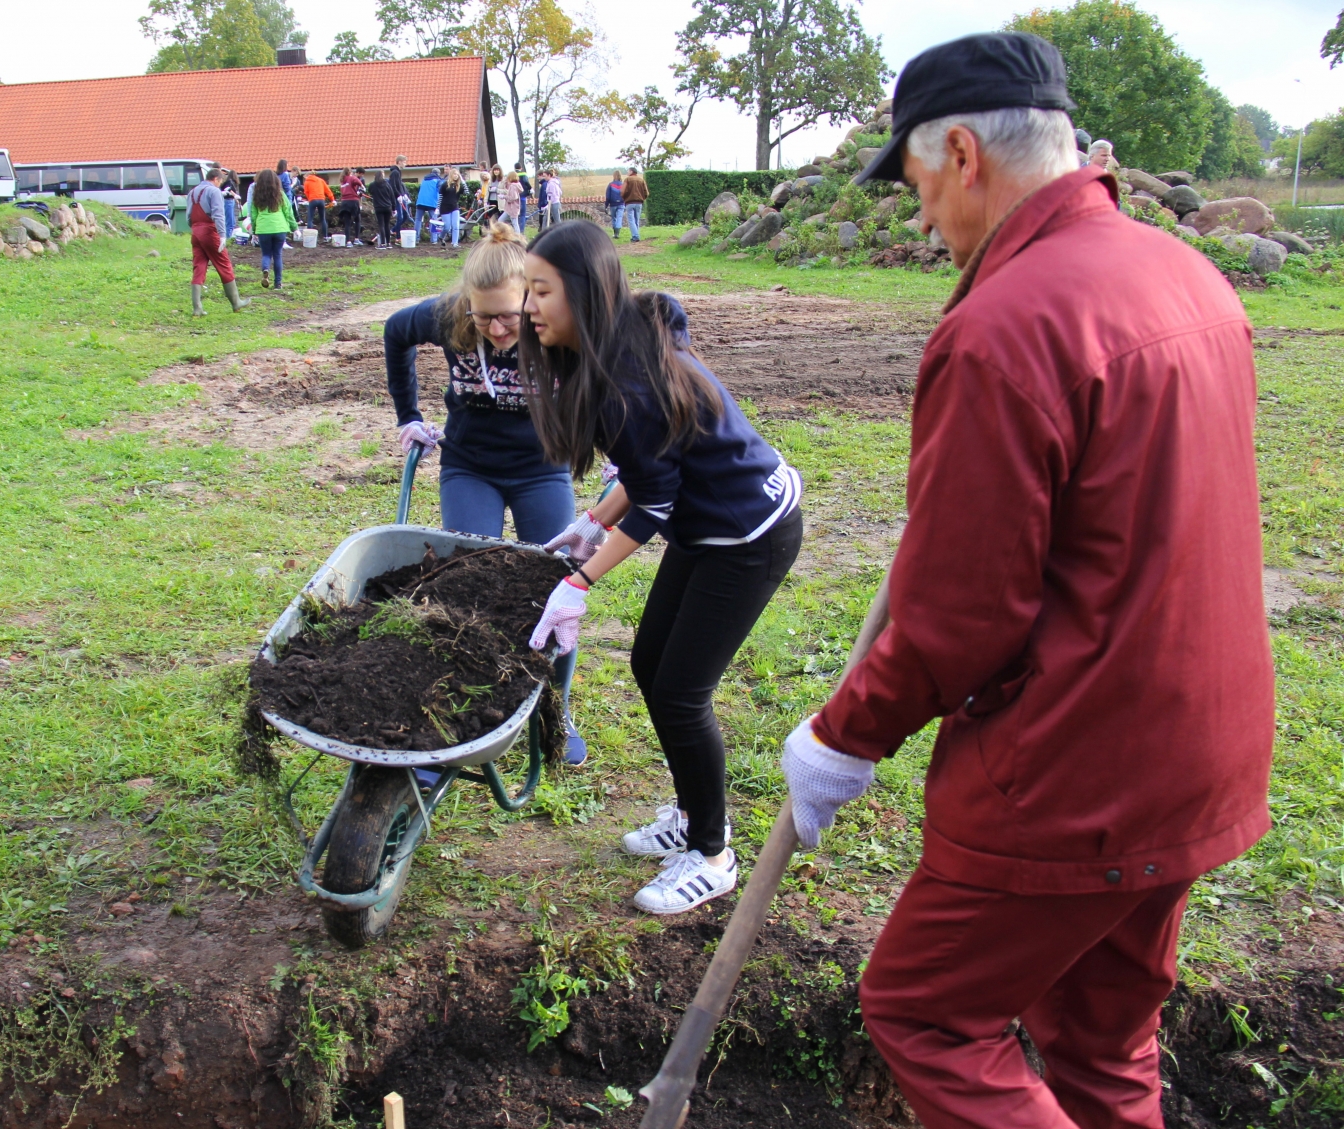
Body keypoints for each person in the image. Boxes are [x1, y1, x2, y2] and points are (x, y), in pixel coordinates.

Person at [784, 32, 1273, 1128]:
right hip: (1197, 746)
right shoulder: (1180, 273)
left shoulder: (1005, 327)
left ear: (962, 153)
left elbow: (959, 615)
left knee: (923, 1012)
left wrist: (842, 735)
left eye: (915, 187)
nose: (921, 221)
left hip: (1075, 775)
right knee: (1100, 1043)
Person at [521, 220, 803, 914]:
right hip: (709, 528)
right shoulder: (616, 346)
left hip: (748, 533)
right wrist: (593, 519)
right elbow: (651, 472)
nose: (529, 308)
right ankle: (691, 810)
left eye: (541, 291)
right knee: (651, 664)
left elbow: (656, 504)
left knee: (681, 690)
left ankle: (711, 852)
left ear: (583, 293)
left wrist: (578, 581)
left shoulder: (628, 385)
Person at [382, 223, 590, 766]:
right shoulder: (448, 317)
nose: (497, 329)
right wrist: (409, 416)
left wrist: (609, 440)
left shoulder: (555, 326)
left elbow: (604, 371)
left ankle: (556, 705)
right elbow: (394, 332)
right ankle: (462, 706)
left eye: (509, 316)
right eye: (484, 316)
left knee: (555, 588)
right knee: (469, 585)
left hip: (541, 468)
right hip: (469, 465)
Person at [186, 170, 251, 315]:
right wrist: (222, 236)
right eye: (220, 182)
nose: (220, 184)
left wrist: (196, 229)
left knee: (199, 267)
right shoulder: (213, 191)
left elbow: (188, 216)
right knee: (224, 264)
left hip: (196, 232)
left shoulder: (192, 192)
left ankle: (197, 308)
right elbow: (218, 214)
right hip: (210, 231)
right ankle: (236, 303)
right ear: (216, 179)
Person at [244, 167, 297, 289]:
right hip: (280, 228)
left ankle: (266, 270)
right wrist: (295, 227)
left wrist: (255, 230)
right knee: (277, 255)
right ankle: (278, 284)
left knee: (266, 254)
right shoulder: (280, 194)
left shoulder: (257, 196)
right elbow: (288, 212)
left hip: (263, 229)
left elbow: (253, 214)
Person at [302, 170, 334, 240]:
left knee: (310, 219)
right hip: (321, 200)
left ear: (307, 176)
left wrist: (309, 199)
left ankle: (309, 237)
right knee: (323, 219)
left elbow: (306, 192)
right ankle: (325, 237)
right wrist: (332, 199)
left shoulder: (307, 182)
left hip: (312, 200)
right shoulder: (321, 180)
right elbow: (328, 190)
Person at [369, 168, 397, 248]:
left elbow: (370, 192)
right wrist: (394, 209)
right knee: (387, 225)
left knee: (381, 225)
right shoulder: (387, 184)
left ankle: (382, 244)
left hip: (378, 208)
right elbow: (392, 197)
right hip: (388, 207)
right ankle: (388, 243)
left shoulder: (372, 185)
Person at [338, 167, 366, 246]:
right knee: (357, 220)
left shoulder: (342, 181)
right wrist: (362, 188)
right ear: (350, 172)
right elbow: (358, 183)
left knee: (347, 222)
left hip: (344, 202)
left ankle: (348, 242)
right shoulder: (352, 178)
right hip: (353, 201)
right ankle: (356, 239)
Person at [438, 166, 464, 246]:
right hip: (445, 208)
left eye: (457, 174)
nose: (456, 176)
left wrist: (462, 180)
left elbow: (466, 191)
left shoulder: (459, 185)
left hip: (454, 207)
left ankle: (455, 243)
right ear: (451, 175)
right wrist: (437, 208)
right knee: (447, 227)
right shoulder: (445, 185)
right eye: (454, 174)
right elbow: (440, 197)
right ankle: (441, 236)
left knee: (455, 226)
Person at [415, 167, 442, 241]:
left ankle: (416, 238)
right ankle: (434, 239)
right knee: (434, 220)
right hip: (432, 203)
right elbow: (441, 191)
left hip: (420, 202)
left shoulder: (424, 180)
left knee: (418, 220)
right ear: (438, 174)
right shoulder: (438, 181)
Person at [621, 166, 648, 242]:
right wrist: (642, 198)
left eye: (628, 171)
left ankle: (635, 236)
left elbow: (622, 191)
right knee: (636, 220)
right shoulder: (641, 180)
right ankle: (636, 235)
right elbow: (646, 192)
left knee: (631, 220)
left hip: (630, 202)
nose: (627, 172)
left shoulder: (627, 180)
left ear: (632, 172)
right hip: (639, 203)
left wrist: (624, 198)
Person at [604, 171, 624, 239]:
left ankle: (615, 233)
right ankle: (618, 232)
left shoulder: (611, 185)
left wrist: (606, 205)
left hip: (613, 204)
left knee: (614, 218)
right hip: (621, 203)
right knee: (619, 217)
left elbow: (608, 196)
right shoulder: (623, 184)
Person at [221, 170, 240, 238]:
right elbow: (229, 190)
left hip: (229, 201)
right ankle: (228, 237)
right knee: (230, 222)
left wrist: (237, 202)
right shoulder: (230, 182)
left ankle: (229, 236)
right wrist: (235, 196)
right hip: (228, 201)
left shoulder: (228, 181)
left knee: (232, 221)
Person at [515, 161, 532, 233]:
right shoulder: (524, 175)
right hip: (523, 197)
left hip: (515, 198)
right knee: (522, 215)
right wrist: (530, 189)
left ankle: (516, 230)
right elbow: (527, 183)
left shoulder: (513, 175)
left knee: (515, 216)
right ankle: (521, 231)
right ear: (521, 168)